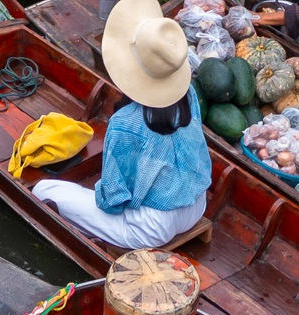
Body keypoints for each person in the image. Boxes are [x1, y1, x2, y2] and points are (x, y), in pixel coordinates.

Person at [32, 0, 211, 250]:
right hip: (196, 205)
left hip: (153, 228)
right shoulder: (188, 93)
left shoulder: (124, 123)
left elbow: (112, 201)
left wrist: (95, 190)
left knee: (42, 189)